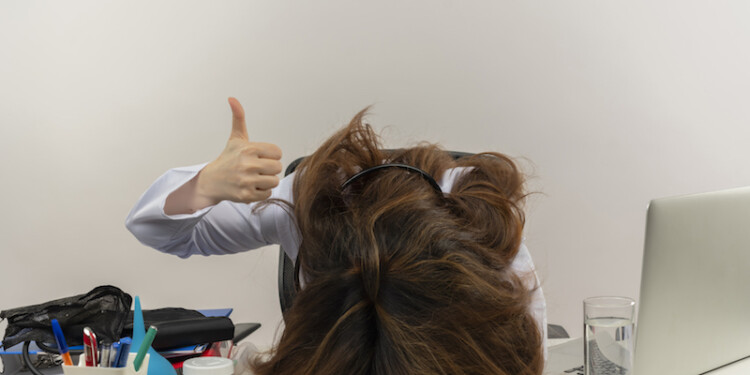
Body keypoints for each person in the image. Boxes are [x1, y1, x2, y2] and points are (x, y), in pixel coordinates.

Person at [126, 98, 547, 375]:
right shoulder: (308, 202)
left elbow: (526, 339)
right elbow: (153, 226)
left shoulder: (477, 220)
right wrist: (204, 186)